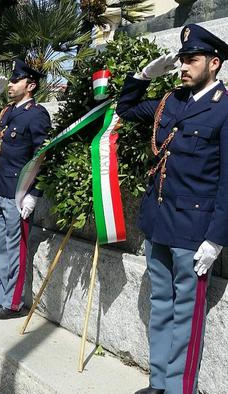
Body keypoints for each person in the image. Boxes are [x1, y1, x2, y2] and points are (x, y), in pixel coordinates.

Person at [116, 23, 228, 394]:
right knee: (161, 302)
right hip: (159, 220)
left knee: (187, 313)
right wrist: (142, 75)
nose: (183, 66)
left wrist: (216, 239)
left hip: (195, 230)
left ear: (214, 63)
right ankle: (158, 381)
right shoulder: (171, 101)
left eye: (191, 59)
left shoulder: (224, 109)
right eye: (181, 60)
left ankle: (181, 387)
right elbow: (127, 109)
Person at [0, 59, 50, 319]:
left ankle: (12, 303)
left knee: (15, 249)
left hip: (18, 195)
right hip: (0, 188)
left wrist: (34, 194)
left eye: (15, 80)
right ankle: (1, 298)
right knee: (1, 249)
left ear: (30, 85)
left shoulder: (37, 114)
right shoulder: (8, 112)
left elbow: (44, 156)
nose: (10, 84)